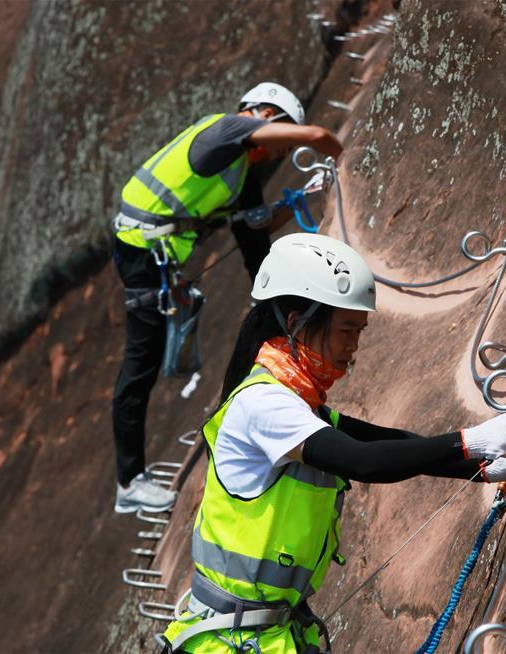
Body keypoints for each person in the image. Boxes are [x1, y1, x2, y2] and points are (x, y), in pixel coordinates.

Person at [156, 233, 506, 653]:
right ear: (296, 322)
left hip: (264, 636)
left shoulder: (299, 404)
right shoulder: (264, 406)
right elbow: (363, 461)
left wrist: (478, 467)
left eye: (360, 332)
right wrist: (470, 441)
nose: (353, 349)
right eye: (346, 330)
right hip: (232, 642)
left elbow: (386, 441)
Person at [112, 83, 343, 514]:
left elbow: (256, 247)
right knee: (140, 366)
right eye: (278, 137)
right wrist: (326, 143)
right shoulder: (221, 133)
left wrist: (290, 213)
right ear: (265, 115)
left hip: (156, 258)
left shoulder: (239, 176)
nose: (275, 156)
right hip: (139, 252)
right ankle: (129, 482)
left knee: (254, 305)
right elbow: (310, 138)